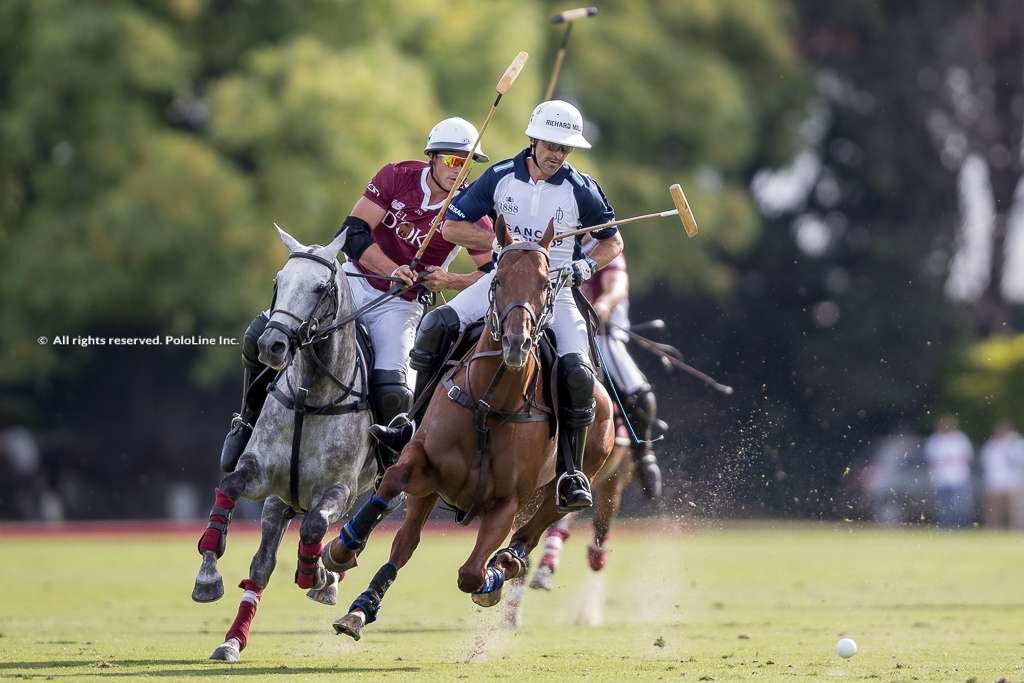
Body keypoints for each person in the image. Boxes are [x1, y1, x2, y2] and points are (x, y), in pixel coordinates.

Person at [373, 100, 625, 512]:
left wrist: (582, 266)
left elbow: (613, 242)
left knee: (578, 371)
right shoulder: (500, 176)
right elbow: (452, 225)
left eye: (565, 148)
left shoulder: (581, 189)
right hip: (501, 280)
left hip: (554, 287)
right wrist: (497, 247)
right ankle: (411, 427)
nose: (557, 155)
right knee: (436, 324)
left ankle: (569, 472)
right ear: (533, 139)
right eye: (551, 145)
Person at [219, 117, 495, 473]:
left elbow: (491, 274)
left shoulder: (471, 213)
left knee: (394, 390)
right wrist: (391, 269)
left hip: (399, 304)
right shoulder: (396, 177)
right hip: (351, 280)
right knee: (260, 334)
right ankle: (247, 421)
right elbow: (354, 232)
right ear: (433, 157)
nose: (461, 171)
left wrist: (448, 280)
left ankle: (384, 467)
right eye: (454, 161)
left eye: (468, 163)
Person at [578, 237, 663, 498]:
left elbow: (617, 286)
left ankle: (643, 454)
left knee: (637, 390)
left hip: (600, 335)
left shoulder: (605, 245)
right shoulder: (560, 243)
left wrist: (604, 303)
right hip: (555, 330)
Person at [923, 414, 975, 528]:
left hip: (959, 478)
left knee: (960, 506)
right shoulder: (935, 440)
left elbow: (969, 457)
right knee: (944, 506)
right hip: (942, 479)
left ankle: (962, 527)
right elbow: (930, 459)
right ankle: (946, 527)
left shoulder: (961, 439)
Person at [979, 420, 1024, 529]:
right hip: (994, 482)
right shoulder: (991, 445)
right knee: (994, 511)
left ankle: (1017, 531)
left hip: (1013, 482)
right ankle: (994, 530)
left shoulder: (1017, 444)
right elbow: (985, 462)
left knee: (1016, 511)